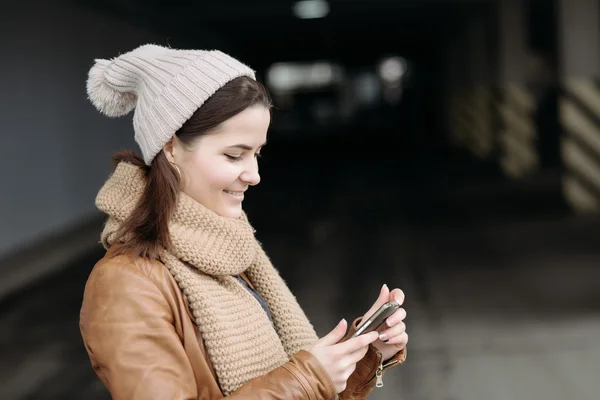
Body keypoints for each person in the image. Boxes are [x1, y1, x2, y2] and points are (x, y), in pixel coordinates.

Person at [79, 44, 408, 400]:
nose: (253, 175)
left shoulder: (229, 247)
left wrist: (364, 355)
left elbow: (299, 387)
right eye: (234, 155)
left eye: (257, 153)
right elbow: (298, 385)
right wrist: (310, 376)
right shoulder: (125, 284)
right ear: (171, 148)